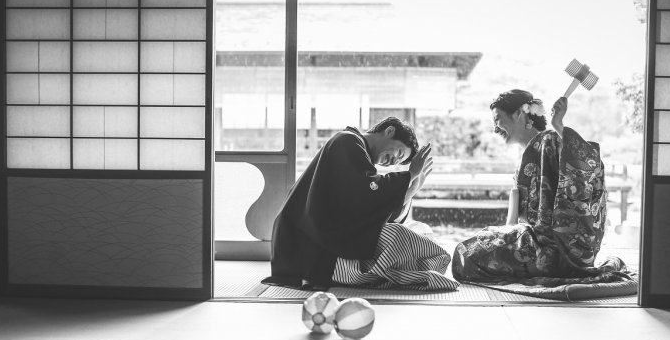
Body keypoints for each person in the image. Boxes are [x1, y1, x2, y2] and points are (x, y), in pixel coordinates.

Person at [452, 89, 628, 283]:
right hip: (533, 243)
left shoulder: (550, 140)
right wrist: (501, 238)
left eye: (497, 119)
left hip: (558, 249)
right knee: (468, 253)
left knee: (466, 254)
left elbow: (587, 161)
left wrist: (558, 124)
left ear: (518, 113)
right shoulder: (524, 161)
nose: (495, 129)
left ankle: (556, 268)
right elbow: (513, 223)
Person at [263, 117, 458, 291]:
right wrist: (410, 174)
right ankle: (421, 268)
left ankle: (418, 269)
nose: (393, 161)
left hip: (327, 238)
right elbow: (367, 196)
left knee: (419, 228)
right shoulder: (347, 141)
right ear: (389, 131)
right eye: (399, 153)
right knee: (398, 235)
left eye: (399, 161)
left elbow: (374, 210)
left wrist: (412, 188)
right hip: (308, 247)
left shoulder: (359, 153)